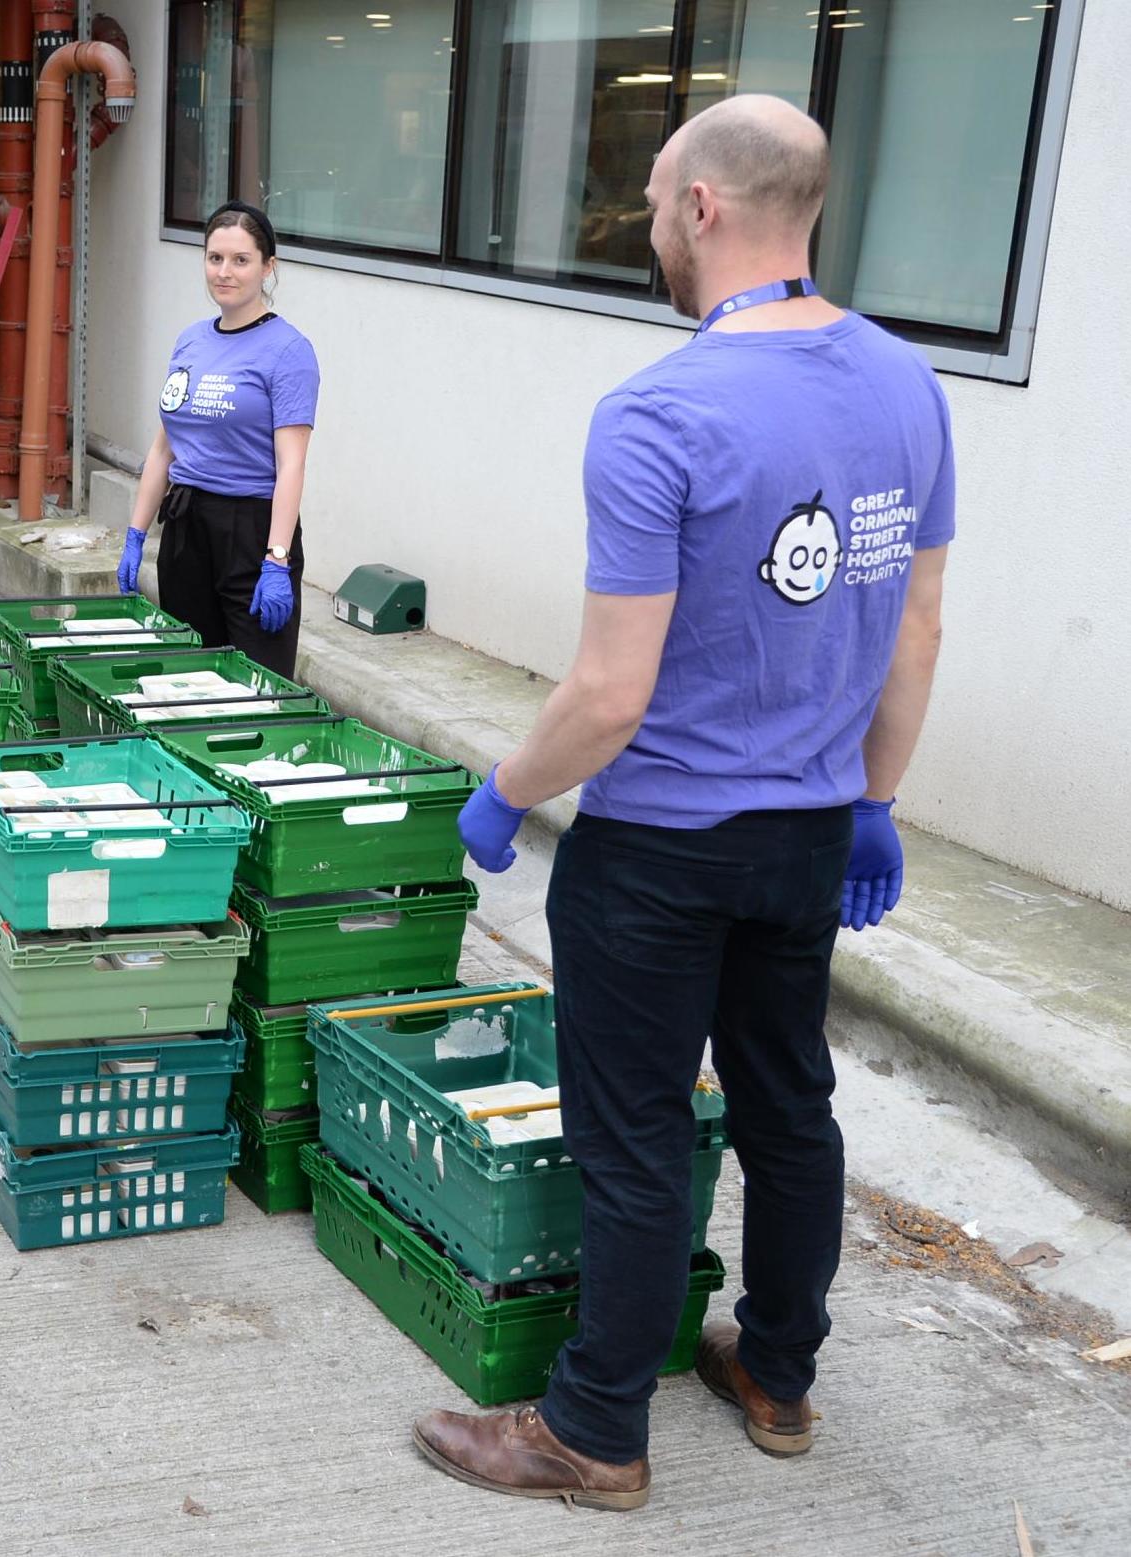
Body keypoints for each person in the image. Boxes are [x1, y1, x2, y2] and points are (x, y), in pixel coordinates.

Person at [412, 96, 953, 1510]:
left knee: (637, 1136)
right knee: (789, 1109)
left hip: (660, 850)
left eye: (654, 199)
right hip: (811, 836)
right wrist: (874, 800)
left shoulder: (662, 410)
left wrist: (506, 790)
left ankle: (592, 1429)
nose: (649, 224)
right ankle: (778, 1372)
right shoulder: (908, 384)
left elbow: (610, 694)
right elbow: (917, 632)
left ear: (703, 210)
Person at [116, 202, 317, 678]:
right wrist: (136, 533)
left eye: (241, 260)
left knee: (257, 684)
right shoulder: (191, 341)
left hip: (250, 531)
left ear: (268, 267)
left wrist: (277, 559)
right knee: (190, 678)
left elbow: (292, 464)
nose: (225, 272)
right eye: (215, 258)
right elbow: (165, 447)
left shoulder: (288, 350)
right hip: (186, 527)